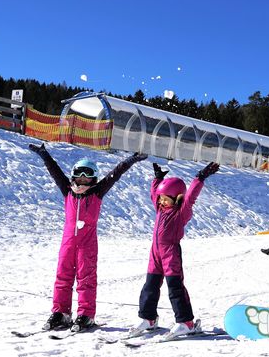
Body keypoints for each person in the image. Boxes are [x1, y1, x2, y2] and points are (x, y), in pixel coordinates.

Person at [28, 143, 148, 332]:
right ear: (74, 176)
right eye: (79, 175)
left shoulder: (97, 193)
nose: (82, 180)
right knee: (63, 277)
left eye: (87, 176)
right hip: (68, 242)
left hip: (87, 244)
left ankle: (85, 315)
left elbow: (114, 175)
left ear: (93, 179)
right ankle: (61, 313)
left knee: (86, 279)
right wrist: (44, 154)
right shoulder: (67, 191)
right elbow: (55, 171)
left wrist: (129, 161)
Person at [131, 161, 220, 339]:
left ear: (177, 197)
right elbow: (153, 194)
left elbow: (191, 197)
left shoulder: (181, 212)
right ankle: (148, 318)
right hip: (155, 253)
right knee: (150, 286)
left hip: (171, 253)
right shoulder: (160, 208)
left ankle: (185, 322)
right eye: (161, 198)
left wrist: (199, 178)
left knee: (175, 287)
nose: (161, 201)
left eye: (165, 198)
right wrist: (157, 179)